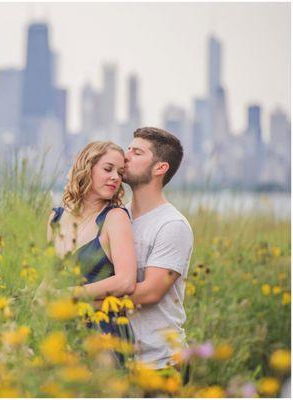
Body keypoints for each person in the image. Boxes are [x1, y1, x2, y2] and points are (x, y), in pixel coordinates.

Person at [118, 127, 194, 380]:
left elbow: (150, 292)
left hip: (160, 364)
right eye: (127, 149)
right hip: (116, 363)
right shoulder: (116, 217)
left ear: (160, 168)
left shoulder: (172, 225)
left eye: (136, 152)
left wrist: (80, 300)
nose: (125, 156)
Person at [46, 141, 137, 346]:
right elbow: (49, 277)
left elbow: (126, 281)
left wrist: (69, 295)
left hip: (102, 335)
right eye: (108, 169)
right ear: (87, 167)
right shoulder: (55, 218)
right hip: (60, 332)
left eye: (120, 173)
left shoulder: (115, 218)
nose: (115, 177)